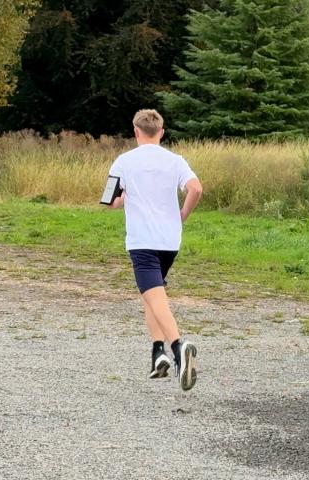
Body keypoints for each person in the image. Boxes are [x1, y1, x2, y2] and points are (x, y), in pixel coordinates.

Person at [107, 109, 203, 391]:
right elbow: (196, 189)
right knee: (153, 295)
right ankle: (157, 352)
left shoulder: (124, 161)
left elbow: (109, 200)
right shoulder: (175, 161)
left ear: (136, 132)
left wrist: (123, 199)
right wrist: (183, 214)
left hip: (142, 241)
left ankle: (177, 347)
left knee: (154, 296)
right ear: (161, 132)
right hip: (169, 240)